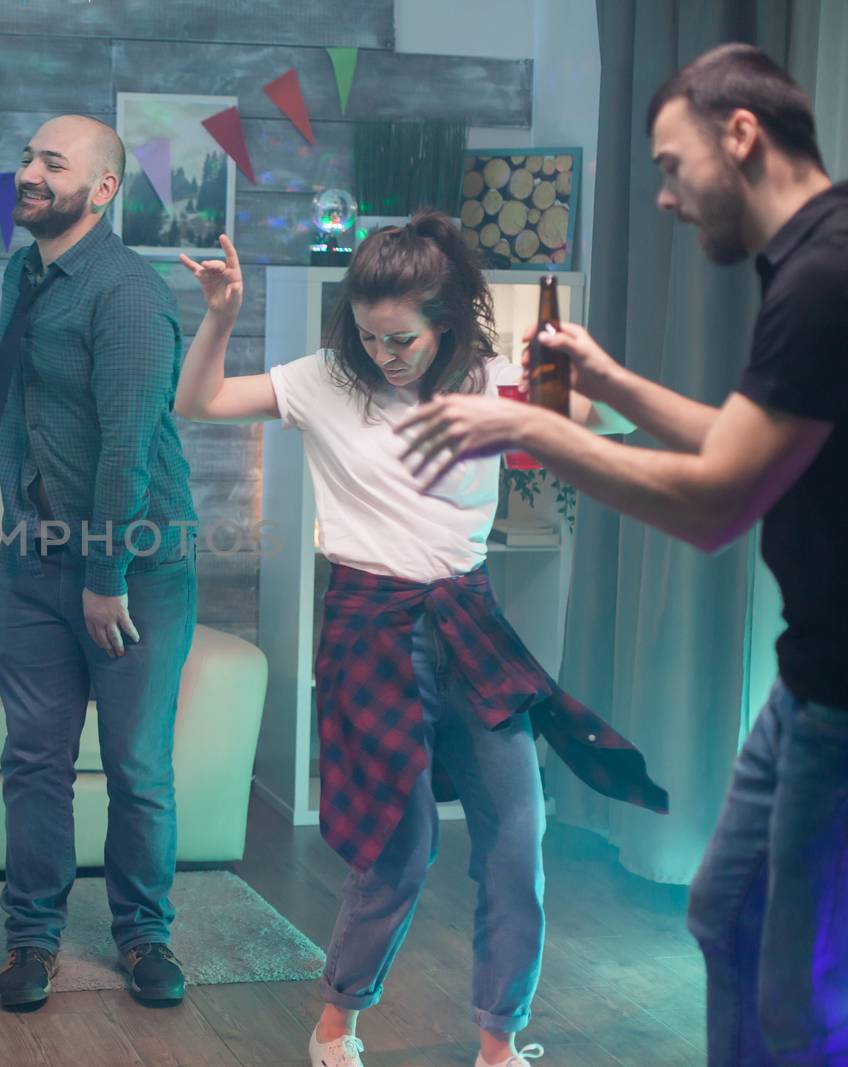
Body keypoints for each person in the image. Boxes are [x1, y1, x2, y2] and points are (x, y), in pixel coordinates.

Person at [398, 44, 845, 1066]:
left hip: (841, 699)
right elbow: (736, 436)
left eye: (671, 165)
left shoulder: (827, 272)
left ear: (740, 136)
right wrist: (610, 379)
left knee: (800, 989)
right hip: (811, 681)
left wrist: (529, 429)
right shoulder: (810, 260)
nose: (662, 197)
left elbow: (713, 503)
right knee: (723, 909)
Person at [174, 216, 666, 1067]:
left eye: (400, 337)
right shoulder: (327, 379)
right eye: (367, 335)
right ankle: (335, 1023)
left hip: (469, 621)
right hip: (368, 624)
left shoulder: (492, 380)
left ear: (447, 319)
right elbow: (200, 402)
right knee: (401, 848)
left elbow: (607, 423)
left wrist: (576, 373)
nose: (384, 352)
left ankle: (499, 1041)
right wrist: (220, 314)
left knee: (518, 838)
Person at [0, 114, 198, 1012]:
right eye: (26, 158)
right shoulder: (30, 270)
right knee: (35, 761)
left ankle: (143, 935)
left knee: (136, 767)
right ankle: (32, 939)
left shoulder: (128, 295)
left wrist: (104, 576)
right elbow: (4, 364)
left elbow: (129, 443)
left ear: (102, 190)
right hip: (32, 564)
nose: (29, 173)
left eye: (53, 162)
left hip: (133, 565)